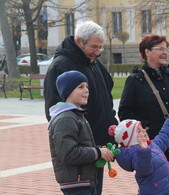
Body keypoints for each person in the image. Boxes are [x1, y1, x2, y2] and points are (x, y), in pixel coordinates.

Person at [44, 21, 118, 195]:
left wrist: (112, 127)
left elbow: (106, 98)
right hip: (80, 151)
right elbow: (55, 110)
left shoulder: (94, 63)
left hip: (98, 145)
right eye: (94, 47)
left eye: (100, 48)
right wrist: (84, 146)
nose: (97, 52)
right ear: (79, 41)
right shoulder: (61, 66)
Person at [118, 34, 169, 193]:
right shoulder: (135, 80)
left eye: (166, 49)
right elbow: (125, 112)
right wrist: (142, 130)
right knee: (153, 188)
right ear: (147, 52)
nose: (165, 52)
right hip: (150, 149)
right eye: (160, 49)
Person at [48, 70, 115, 195]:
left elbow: (81, 146)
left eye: (87, 87)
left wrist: (99, 150)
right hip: (77, 184)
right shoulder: (66, 118)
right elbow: (68, 153)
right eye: (80, 87)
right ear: (68, 91)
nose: (86, 90)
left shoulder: (77, 115)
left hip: (84, 181)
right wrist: (97, 152)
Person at [109, 108, 169, 195]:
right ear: (132, 139)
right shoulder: (136, 154)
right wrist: (144, 151)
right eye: (139, 131)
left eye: (142, 128)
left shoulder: (152, 145)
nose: (144, 131)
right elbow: (144, 169)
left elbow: (164, 137)